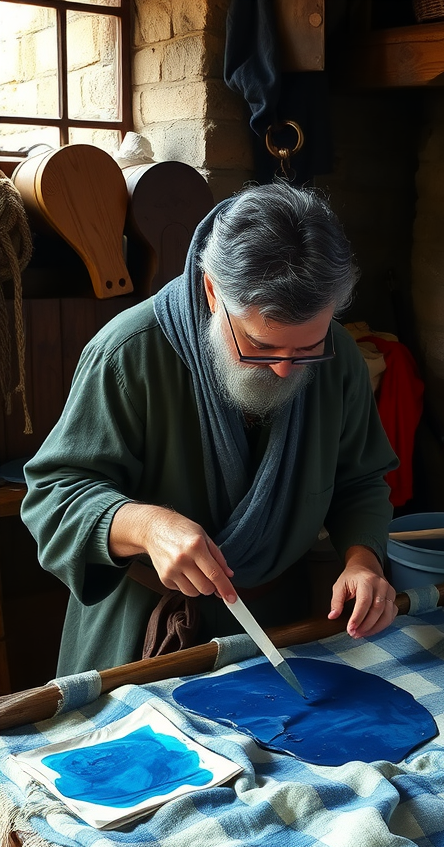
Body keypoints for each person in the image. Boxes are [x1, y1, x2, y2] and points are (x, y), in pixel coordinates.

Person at [21, 183, 399, 675]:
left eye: (308, 348)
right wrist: (146, 526)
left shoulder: (340, 358)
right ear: (212, 290)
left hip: (279, 625)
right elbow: (54, 497)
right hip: (138, 637)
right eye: (262, 346)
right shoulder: (127, 354)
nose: (287, 371)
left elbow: (361, 479)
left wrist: (364, 560)